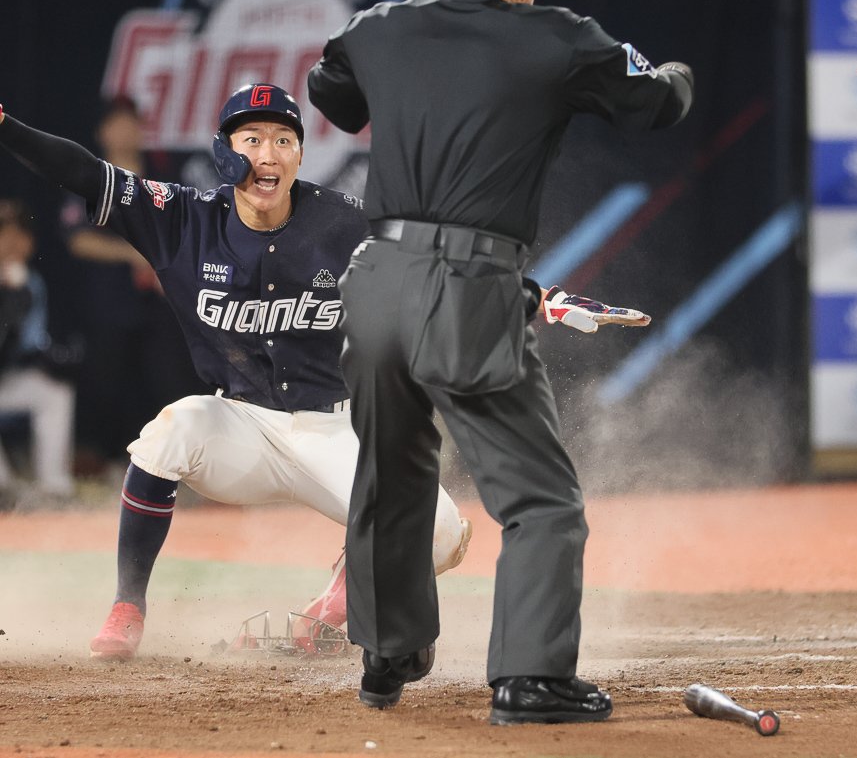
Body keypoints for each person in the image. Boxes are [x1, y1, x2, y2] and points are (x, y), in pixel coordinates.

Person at [0, 84, 641, 662]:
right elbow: (83, 173)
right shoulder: (184, 217)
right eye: (250, 140)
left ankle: (337, 596)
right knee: (171, 431)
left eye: (284, 140)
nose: (268, 154)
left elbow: (444, 268)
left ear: (302, 156)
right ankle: (128, 605)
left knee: (444, 537)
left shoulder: (347, 222)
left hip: (336, 432)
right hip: (241, 427)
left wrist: (542, 300)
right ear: (224, 154)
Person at [308, 0, 693, 721]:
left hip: (374, 279)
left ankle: (387, 655)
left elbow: (329, 91)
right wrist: (680, 74)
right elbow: (656, 103)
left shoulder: (382, 25)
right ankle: (530, 676)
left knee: (390, 471)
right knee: (539, 496)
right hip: (469, 282)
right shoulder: (554, 33)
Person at [62, 95, 204, 476]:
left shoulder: (163, 175)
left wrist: (167, 264)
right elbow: (77, 239)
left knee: (170, 379)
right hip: (110, 299)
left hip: (160, 298)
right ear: (102, 132)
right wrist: (132, 254)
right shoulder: (91, 177)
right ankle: (99, 460)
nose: (126, 131)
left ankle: (178, 463)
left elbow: (187, 227)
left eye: (132, 123)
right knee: (106, 378)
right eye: (117, 123)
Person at [0, 198, 76, 502]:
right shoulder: (19, 287)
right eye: (5, 235)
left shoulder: (30, 282)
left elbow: (26, 349)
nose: (14, 245)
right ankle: (3, 490)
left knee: (55, 392)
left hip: (7, 380)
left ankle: (54, 487)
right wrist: (12, 300)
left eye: (21, 236)